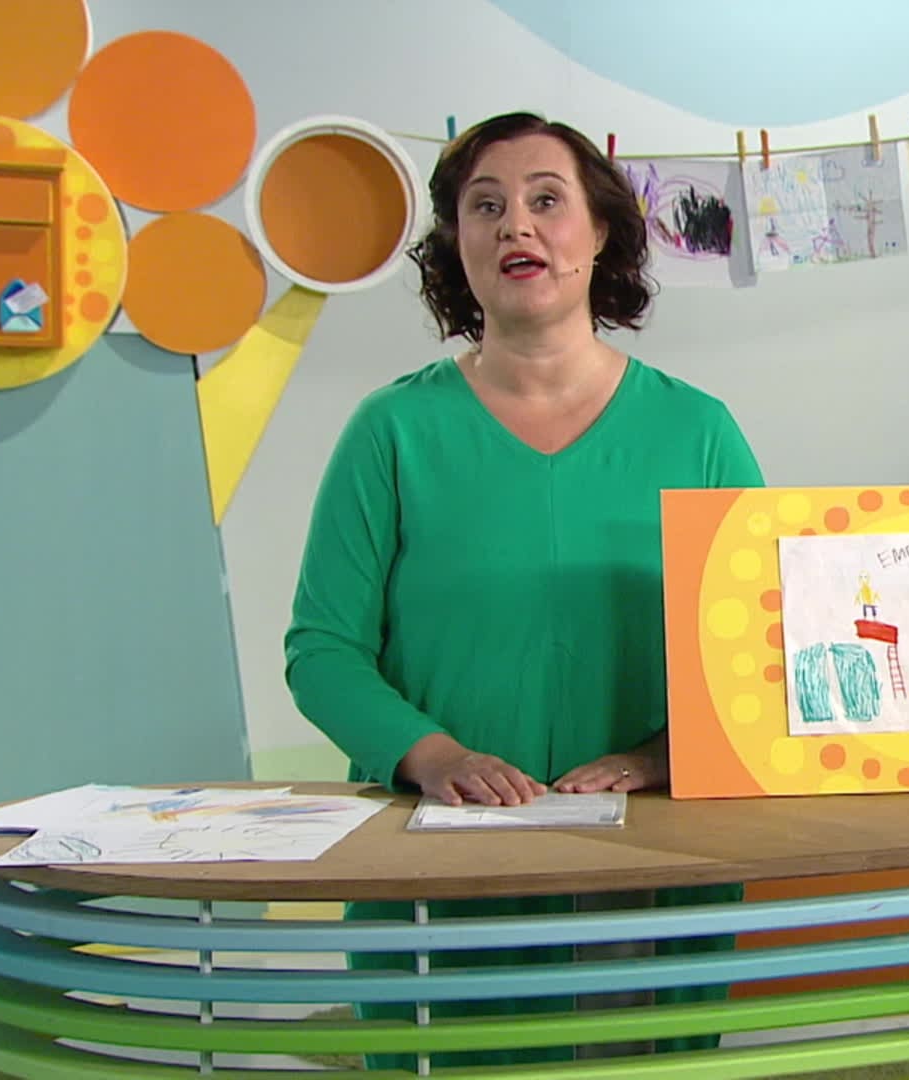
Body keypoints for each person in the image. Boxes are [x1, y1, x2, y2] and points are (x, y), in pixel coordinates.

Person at [283, 110, 763, 1068]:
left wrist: (665, 754)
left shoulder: (700, 433)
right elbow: (323, 650)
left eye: (548, 200)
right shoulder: (391, 432)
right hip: (437, 851)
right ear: (455, 243)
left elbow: (765, 645)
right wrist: (434, 757)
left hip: (648, 858)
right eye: (486, 206)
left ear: (602, 232)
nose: (517, 225)